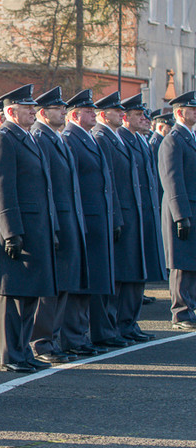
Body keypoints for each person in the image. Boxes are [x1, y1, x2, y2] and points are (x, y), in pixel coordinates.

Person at [0, 84, 57, 373]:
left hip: (36, 227)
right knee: (13, 297)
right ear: (10, 112)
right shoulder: (4, 139)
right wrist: (10, 231)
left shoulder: (29, 138)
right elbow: (0, 186)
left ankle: (22, 350)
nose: (33, 110)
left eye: (33, 107)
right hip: (16, 229)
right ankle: (11, 354)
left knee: (29, 295)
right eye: (26, 107)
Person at [30, 87, 88, 363]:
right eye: (57, 108)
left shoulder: (57, 138)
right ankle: (42, 342)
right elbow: (46, 186)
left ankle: (53, 338)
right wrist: (52, 224)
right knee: (50, 286)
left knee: (64, 282)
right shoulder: (41, 137)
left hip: (68, 218)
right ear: (43, 113)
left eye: (64, 107)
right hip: (55, 220)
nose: (63, 110)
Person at [59, 90, 113, 357]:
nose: (94, 114)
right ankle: (72, 336)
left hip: (94, 217)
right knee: (79, 281)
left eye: (94, 110)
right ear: (75, 115)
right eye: (89, 111)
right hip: (82, 218)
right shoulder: (70, 138)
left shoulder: (88, 138)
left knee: (91, 279)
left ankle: (80, 335)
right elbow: (71, 184)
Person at [91, 92, 141, 348]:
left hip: (122, 212)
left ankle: (121, 325)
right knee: (112, 277)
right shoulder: (101, 137)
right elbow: (106, 182)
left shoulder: (116, 137)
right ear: (103, 115)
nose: (122, 114)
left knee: (124, 273)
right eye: (115, 111)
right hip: (110, 214)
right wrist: (115, 215)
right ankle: (108, 328)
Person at [117, 94, 164, 341]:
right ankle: (122, 323)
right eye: (138, 115)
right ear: (126, 118)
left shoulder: (139, 140)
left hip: (142, 213)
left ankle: (130, 322)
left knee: (138, 272)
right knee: (127, 272)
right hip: (128, 214)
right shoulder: (121, 139)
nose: (145, 119)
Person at [158, 90, 196, 331]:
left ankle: (189, 308)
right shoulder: (173, 139)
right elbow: (172, 180)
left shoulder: (189, 137)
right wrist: (181, 215)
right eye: (193, 110)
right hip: (181, 209)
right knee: (181, 263)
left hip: (192, 207)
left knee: (192, 261)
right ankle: (180, 313)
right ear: (181, 113)